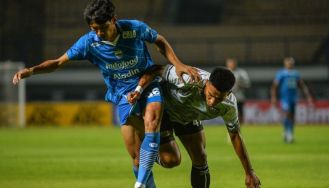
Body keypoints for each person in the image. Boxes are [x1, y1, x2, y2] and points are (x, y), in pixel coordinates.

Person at [12, 0, 199, 187]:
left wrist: (179, 65)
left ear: (113, 19)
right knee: (156, 160)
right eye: (94, 29)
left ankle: (139, 183)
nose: (99, 33)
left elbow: (159, 40)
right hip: (123, 96)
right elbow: (58, 62)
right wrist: (33, 70)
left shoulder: (134, 29)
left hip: (148, 83)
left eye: (102, 27)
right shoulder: (88, 43)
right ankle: (148, 158)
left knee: (151, 120)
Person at [128, 64, 261, 188]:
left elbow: (235, 135)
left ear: (229, 93)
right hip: (164, 112)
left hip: (187, 117)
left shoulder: (229, 106)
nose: (212, 102)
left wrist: (249, 171)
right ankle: (146, 145)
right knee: (171, 160)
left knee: (201, 157)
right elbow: (156, 69)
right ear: (207, 82)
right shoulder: (189, 78)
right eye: (211, 95)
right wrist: (138, 90)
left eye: (219, 98)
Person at [271, 57, 313, 143]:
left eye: (291, 63)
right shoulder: (281, 73)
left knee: (292, 117)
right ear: (285, 63)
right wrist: (274, 97)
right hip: (284, 98)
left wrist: (308, 96)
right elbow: (275, 86)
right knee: (288, 114)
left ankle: (287, 131)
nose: (290, 64)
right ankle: (289, 134)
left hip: (293, 98)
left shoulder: (296, 74)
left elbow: (301, 85)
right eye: (288, 62)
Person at [226, 58, 251, 123]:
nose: (232, 65)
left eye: (233, 63)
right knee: (229, 113)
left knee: (239, 112)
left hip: (239, 97)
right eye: (230, 63)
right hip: (227, 97)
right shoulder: (224, 72)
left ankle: (240, 126)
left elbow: (247, 84)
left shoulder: (242, 73)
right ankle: (230, 126)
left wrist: (240, 85)